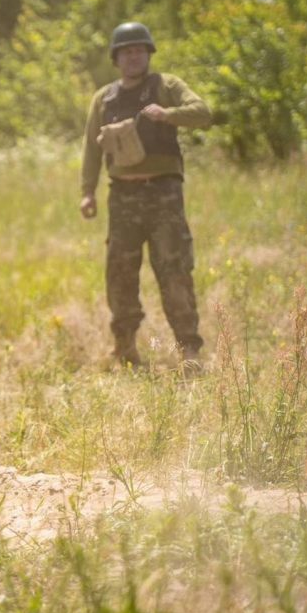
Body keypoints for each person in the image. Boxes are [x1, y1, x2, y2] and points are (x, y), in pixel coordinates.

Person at [79, 21, 212, 370]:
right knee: (120, 272)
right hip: (122, 196)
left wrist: (168, 115)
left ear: (148, 53)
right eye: (126, 51)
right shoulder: (103, 99)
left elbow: (203, 113)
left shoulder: (167, 86)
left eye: (139, 50)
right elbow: (91, 150)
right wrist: (87, 192)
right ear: (116, 58)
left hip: (164, 195)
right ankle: (125, 349)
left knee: (174, 269)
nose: (133, 56)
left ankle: (189, 352)